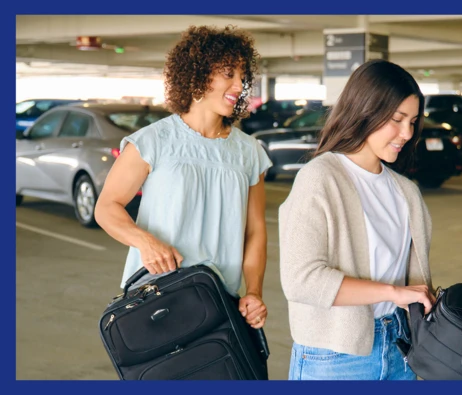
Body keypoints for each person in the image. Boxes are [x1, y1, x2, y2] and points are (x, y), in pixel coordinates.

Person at [94, 25, 272, 331]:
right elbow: (106, 207)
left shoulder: (249, 151)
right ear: (198, 74)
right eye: (228, 73)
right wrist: (144, 242)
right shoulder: (152, 141)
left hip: (219, 305)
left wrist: (254, 291)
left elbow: (255, 232)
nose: (239, 84)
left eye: (242, 76)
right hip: (154, 302)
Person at [279, 59, 436, 380]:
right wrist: (393, 292)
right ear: (365, 111)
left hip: (400, 346)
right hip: (334, 355)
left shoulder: (406, 191)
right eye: (397, 119)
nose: (406, 133)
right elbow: (301, 281)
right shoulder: (320, 178)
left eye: (414, 121)